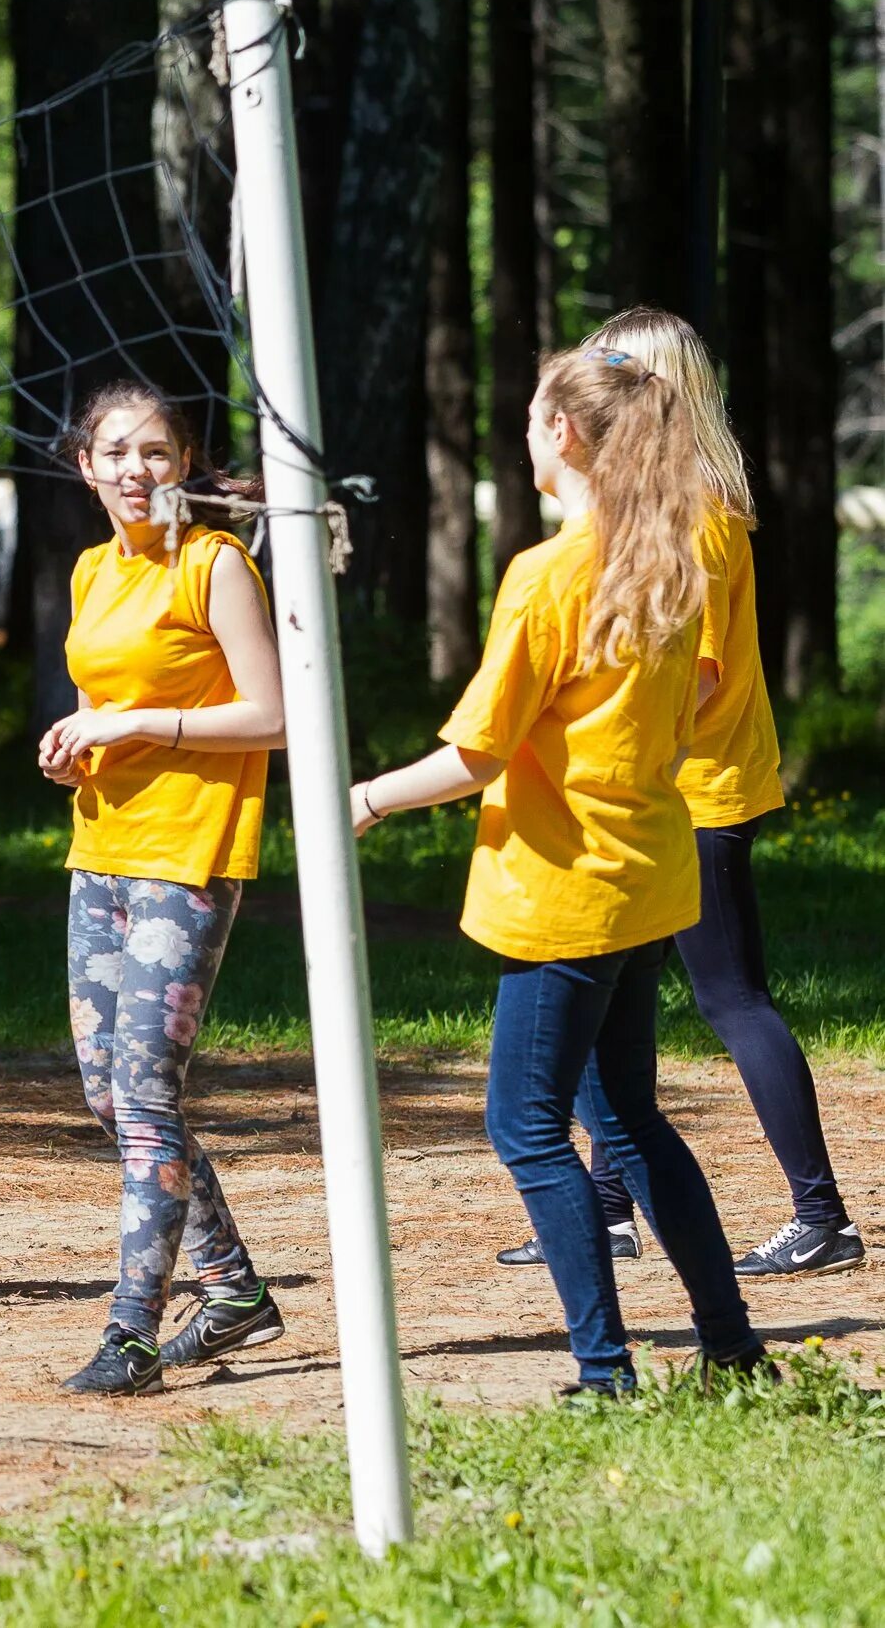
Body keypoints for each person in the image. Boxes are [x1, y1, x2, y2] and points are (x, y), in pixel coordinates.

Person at [355, 348, 764, 1395]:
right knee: (625, 1116)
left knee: (524, 1124)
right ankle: (731, 1349)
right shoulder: (673, 558)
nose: (525, 428)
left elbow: (480, 751)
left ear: (565, 436)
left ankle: (605, 1372)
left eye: (535, 412)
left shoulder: (549, 572)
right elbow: (701, 712)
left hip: (568, 893)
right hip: (646, 877)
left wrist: (359, 798)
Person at [492, 307, 862, 1280]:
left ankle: (818, 1212)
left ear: (652, 387)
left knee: (730, 998)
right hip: (684, 791)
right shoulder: (686, 501)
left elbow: (690, 676)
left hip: (689, 795)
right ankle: (608, 1210)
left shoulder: (690, 511)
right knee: (623, 1018)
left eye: (611, 369)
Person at [37, 381, 286, 1395]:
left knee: (143, 1095)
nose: (136, 471)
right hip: (100, 850)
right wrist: (76, 749)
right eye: (115, 453)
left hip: (189, 854)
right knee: (109, 1095)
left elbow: (271, 713)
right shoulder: (93, 569)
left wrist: (133, 725)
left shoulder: (216, 564)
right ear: (84, 466)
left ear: (184, 463)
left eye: (156, 452)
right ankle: (232, 1289)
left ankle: (130, 1329)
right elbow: (101, 699)